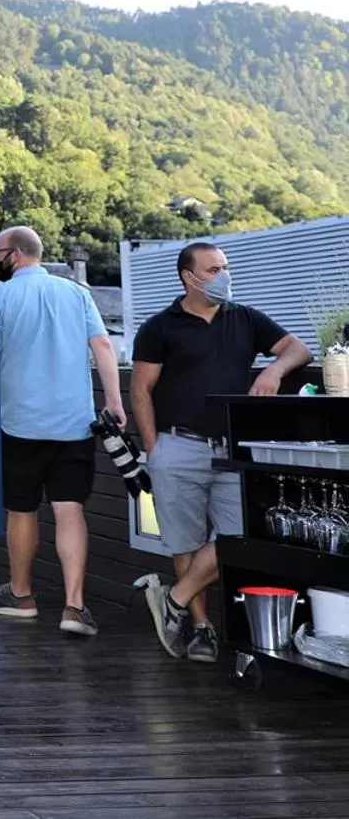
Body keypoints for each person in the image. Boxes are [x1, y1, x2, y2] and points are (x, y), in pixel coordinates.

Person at [133, 241, 312, 663]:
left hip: (232, 451)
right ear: (188, 277)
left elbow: (299, 349)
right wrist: (155, 450)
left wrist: (272, 369)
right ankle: (201, 630)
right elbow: (140, 391)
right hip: (177, 447)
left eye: (225, 267)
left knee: (238, 537)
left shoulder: (245, 318)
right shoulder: (160, 327)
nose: (223, 276)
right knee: (185, 544)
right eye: (213, 270)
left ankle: (172, 600)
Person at [0, 225, 123, 636]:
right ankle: (74, 607)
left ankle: (21, 596)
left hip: (19, 422)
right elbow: (104, 346)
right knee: (69, 508)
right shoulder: (76, 293)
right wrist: (114, 401)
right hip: (74, 424)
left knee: (21, 509)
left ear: (15, 254)